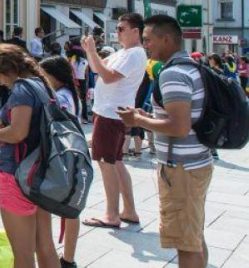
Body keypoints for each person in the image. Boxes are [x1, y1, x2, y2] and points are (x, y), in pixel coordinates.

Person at [118, 15, 213, 268]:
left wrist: (138, 121)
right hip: (196, 163)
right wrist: (150, 117)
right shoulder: (191, 67)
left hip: (182, 168)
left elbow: (179, 127)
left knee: (186, 244)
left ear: (166, 39)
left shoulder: (172, 74)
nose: (145, 45)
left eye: (148, 40)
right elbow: (182, 118)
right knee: (193, 237)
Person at [0, 44, 60, 268]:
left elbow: (18, 133)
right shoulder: (41, 85)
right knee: (45, 246)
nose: (0, 82)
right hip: (40, 172)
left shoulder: (21, 90)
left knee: (23, 254)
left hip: (18, 174)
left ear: (7, 69)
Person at [81, 13, 146, 230]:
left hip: (110, 114)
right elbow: (97, 68)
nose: (117, 32)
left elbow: (107, 76)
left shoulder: (134, 54)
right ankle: (128, 210)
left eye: (121, 28)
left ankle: (111, 214)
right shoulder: (124, 53)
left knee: (105, 163)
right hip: (111, 112)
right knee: (116, 162)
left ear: (135, 31)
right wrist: (90, 51)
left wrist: (91, 51)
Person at [39, 56, 81, 268]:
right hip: (70, 156)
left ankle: (65, 258)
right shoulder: (68, 94)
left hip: (62, 158)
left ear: (56, 77)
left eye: (44, 76)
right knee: (70, 209)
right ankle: (67, 258)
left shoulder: (61, 97)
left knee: (65, 209)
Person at [68, 42, 89, 123]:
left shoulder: (71, 60)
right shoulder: (85, 61)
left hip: (73, 80)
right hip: (82, 81)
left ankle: (75, 116)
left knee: (74, 98)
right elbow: (86, 74)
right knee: (83, 100)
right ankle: (84, 118)